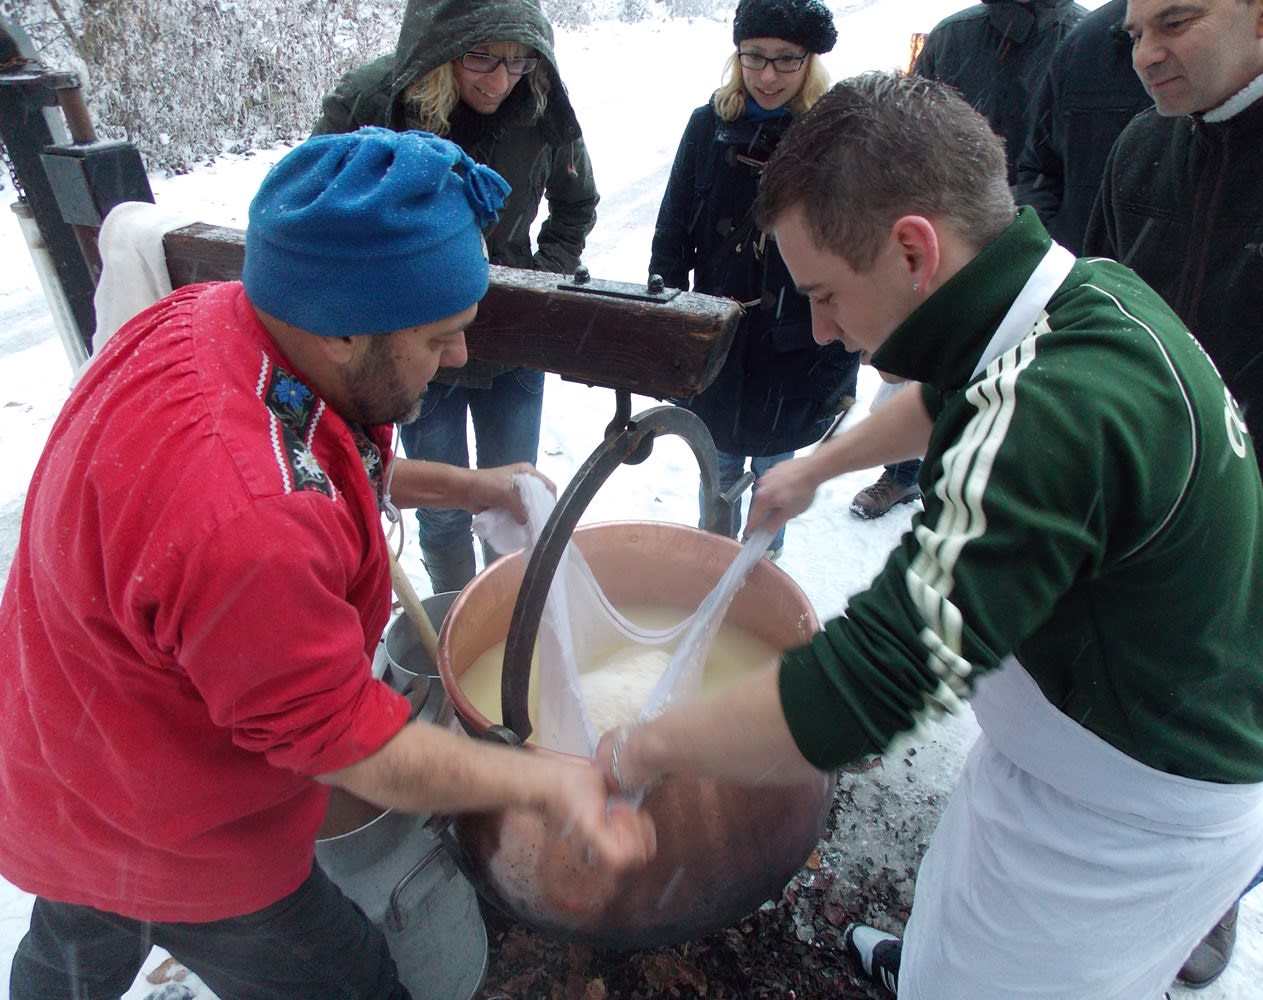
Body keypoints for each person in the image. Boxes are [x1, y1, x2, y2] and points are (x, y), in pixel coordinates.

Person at [597, 71, 1263, 1000]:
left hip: (1123, 818)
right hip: (1053, 744)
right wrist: (817, 468)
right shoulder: (1074, 301)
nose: (822, 329)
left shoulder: (1056, 413)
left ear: (912, 250)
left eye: (826, 293)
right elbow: (958, 389)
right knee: (954, 914)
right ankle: (928, 963)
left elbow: (870, 685)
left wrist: (643, 749)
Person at [0, 128, 653, 999]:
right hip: (179, 832)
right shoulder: (247, 526)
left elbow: (319, 451)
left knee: (73, 942)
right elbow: (352, 746)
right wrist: (550, 784)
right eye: (439, 336)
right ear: (345, 331)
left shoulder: (211, 319)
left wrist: (462, 486)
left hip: (63, 760)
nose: (460, 357)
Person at [1085, 0, 1263, 987]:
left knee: (1245, 750)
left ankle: (1211, 895)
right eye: (1133, 32)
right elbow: (1089, 326)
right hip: (1137, 541)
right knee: (1118, 728)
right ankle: (1107, 877)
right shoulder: (1144, 148)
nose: (1145, 56)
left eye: (1175, 23)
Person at [313, 0, 598, 594]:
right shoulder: (375, 99)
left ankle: (501, 620)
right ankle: (454, 616)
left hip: (508, 345)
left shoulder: (541, 100)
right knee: (441, 508)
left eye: (517, 62)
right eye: (481, 58)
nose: (500, 81)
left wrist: (536, 280)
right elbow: (316, 209)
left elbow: (577, 203)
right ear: (442, 46)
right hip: (410, 346)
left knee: (512, 495)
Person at [849, 0, 1086, 521]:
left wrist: (1025, 251)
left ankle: (978, 505)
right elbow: (901, 143)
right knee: (921, 373)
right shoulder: (952, 37)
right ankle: (904, 475)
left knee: (1008, 402)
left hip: (1034, 262)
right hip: (939, 247)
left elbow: (1076, 173)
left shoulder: (1084, 41)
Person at [649, 0, 858, 559]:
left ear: (810, 61)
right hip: (716, 341)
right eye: (755, 58)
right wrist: (665, 323)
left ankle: (757, 584)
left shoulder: (834, 139)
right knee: (715, 471)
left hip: (794, 349)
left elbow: (856, 256)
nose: (768, 76)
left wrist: (842, 358)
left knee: (773, 480)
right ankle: (709, 573)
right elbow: (671, 232)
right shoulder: (706, 127)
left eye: (786, 61)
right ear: (736, 56)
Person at [1011, 0, 1151, 251]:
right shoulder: (1084, 44)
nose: (1148, 58)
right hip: (1081, 273)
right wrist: (1047, 251)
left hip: (1172, 280)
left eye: (1176, 25)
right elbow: (1040, 168)